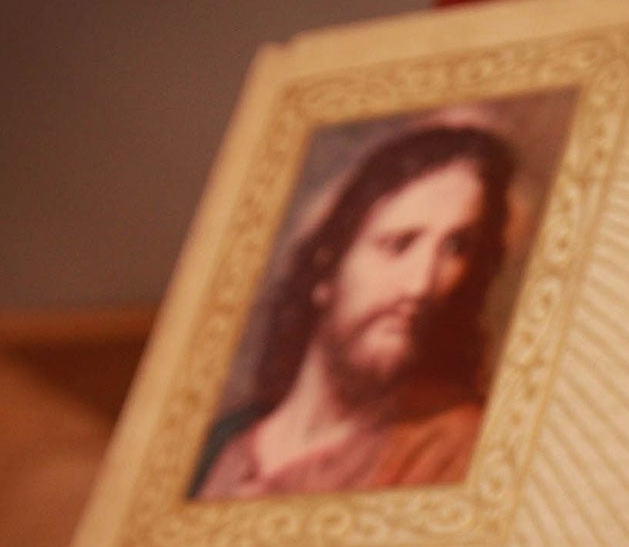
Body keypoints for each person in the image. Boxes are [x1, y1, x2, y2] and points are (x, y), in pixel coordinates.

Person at [190, 123, 515, 501]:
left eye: (456, 248)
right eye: (399, 244)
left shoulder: (451, 447)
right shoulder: (218, 448)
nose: (422, 285)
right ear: (327, 267)